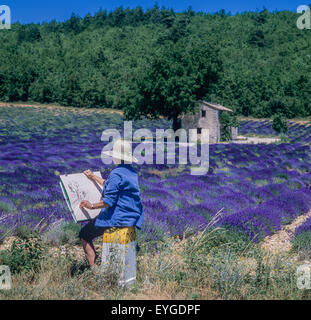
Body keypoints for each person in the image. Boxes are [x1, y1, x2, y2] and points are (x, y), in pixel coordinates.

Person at [79, 139, 144, 269]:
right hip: (132, 216)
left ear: (116, 157)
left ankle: (94, 269)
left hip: (117, 217)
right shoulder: (131, 172)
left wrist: (90, 205)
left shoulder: (116, 173)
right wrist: (93, 177)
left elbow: (108, 202)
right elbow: (109, 185)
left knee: (84, 234)